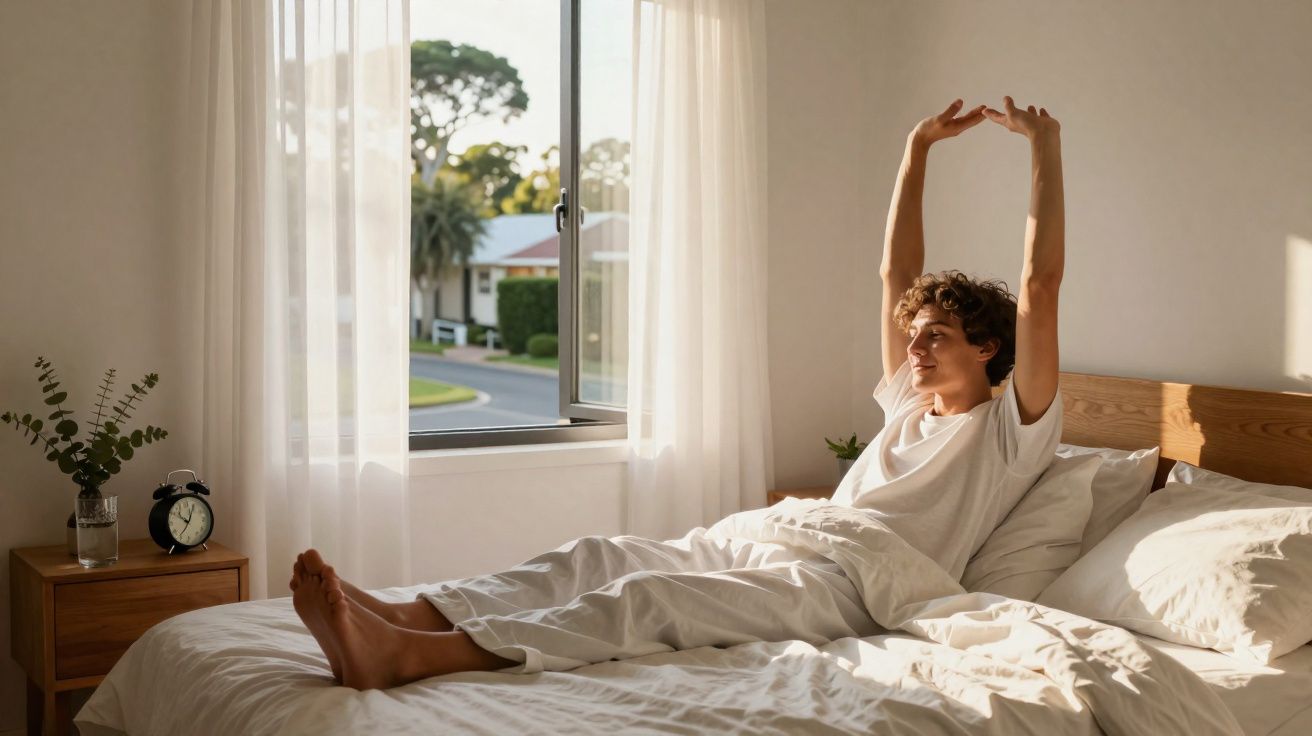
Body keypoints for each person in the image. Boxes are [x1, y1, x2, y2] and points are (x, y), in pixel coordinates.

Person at [290, 96, 1066, 690]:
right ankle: (404, 613)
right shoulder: (908, 402)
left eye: (936, 335)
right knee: (602, 554)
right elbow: (895, 274)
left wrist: (1045, 147)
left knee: (655, 599)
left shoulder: (1010, 431)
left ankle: (413, 657)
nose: (915, 345)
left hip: (857, 587)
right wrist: (914, 150)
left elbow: (1039, 285)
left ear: (989, 347)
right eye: (915, 332)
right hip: (798, 535)